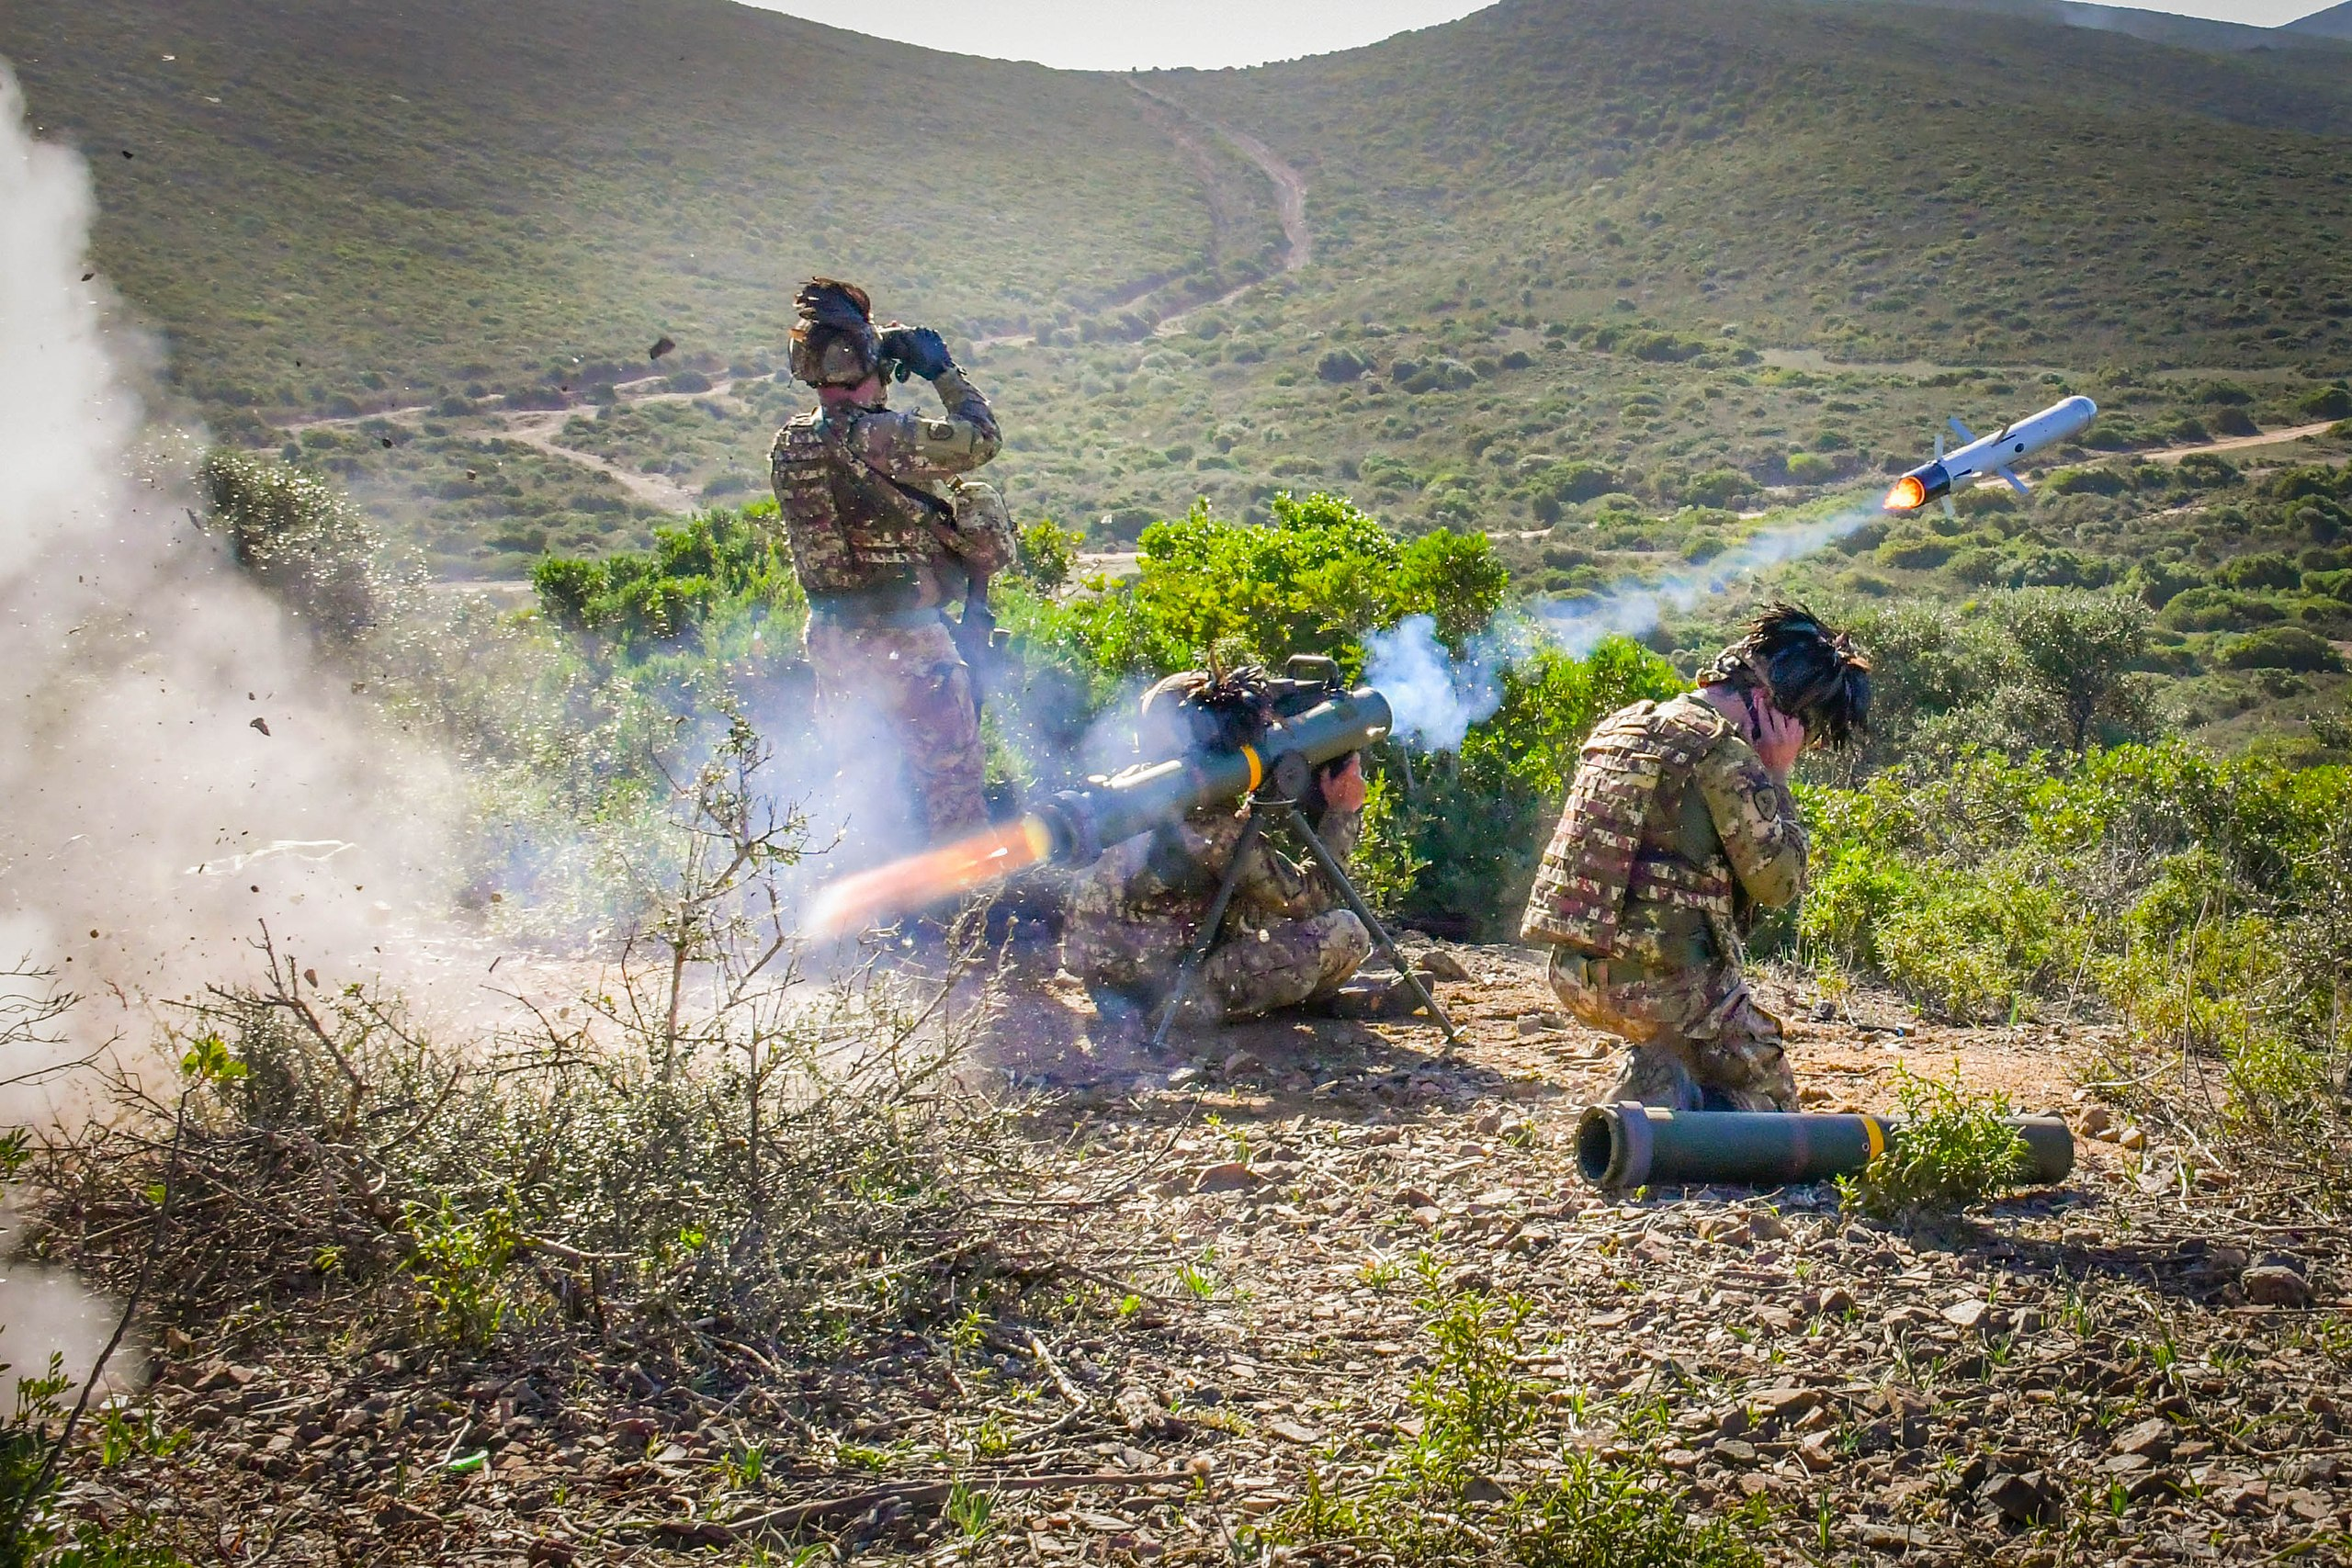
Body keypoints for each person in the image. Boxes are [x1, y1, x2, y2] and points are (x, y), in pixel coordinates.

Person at [1521, 603, 1870, 1111]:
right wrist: (1777, 777)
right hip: (1668, 993)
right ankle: (1672, 1094)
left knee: (1687, 1039)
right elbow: (1780, 884)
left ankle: (1662, 1067)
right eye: (1806, 731)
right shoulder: (1725, 756)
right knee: (1773, 1106)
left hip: (1573, 976)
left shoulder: (1623, 726)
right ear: (1776, 710)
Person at [768, 277, 1014, 843]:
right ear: (863, 361)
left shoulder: (792, 442)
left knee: (860, 781)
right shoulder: (880, 436)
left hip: (832, 637)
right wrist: (940, 370)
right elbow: (980, 439)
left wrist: (877, 347)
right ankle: (967, 912)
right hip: (905, 645)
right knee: (952, 781)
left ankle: (863, 901)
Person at [1063, 669, 1381, 1036]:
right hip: (1163, 1001)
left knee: (1260, 908)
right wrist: (1342, 814)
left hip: (1113, 990)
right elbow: (1307, 899)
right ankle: (1287, 1005)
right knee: (1346, 932)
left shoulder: (1137, 791)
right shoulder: (1208, 824)